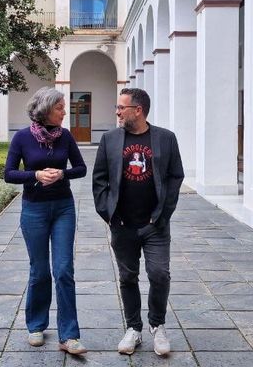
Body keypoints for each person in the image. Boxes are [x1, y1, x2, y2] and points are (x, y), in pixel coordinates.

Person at [92, 88, 184, 356]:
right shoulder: (109, 139)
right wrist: (107, 212)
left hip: (155, 225)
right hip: (122, 224)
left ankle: (158, 325)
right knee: (128, 277)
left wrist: (163, 214)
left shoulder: (165, 139)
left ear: (138, 110)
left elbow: (175, 176)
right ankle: (134, 329)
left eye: (122, 107)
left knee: (159, 274)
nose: (118, 112)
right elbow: (99, 179)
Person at [4, 87, 88, 355]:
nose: (65, 112)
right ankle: (36, 326)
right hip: (34, 210)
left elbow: (81, 168)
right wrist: (36, 175)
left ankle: (70, 335)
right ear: (45, 110)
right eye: (60, 107)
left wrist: (62, 175)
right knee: (39, 270)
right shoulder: (22, 138)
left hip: (63, 207)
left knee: (64, 270)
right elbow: (8, 174)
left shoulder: (65, 136)